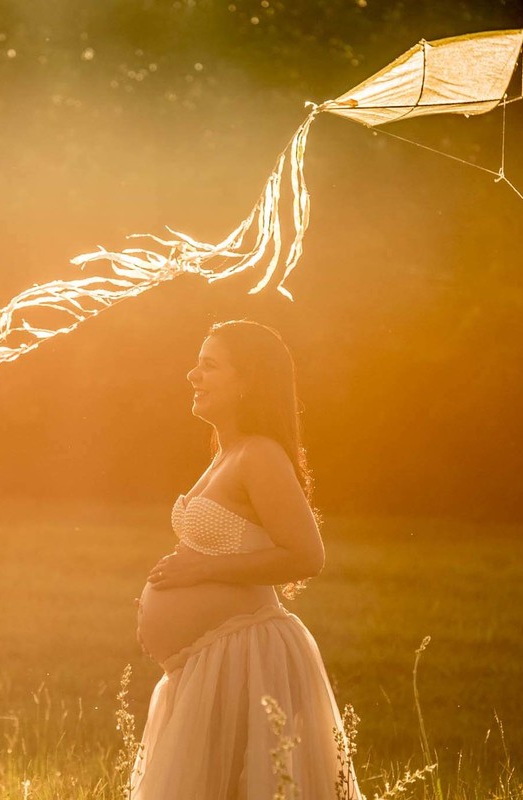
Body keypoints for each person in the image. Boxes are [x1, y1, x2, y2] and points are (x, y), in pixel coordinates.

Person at [132, 320, 362, 800]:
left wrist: (201, 570)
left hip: (246, 657)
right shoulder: (225, 453)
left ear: (249, 381)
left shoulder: (260, 454)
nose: (193, 375)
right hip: (206, 665)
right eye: (197, 363)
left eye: (209, 365)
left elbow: (306, 555)